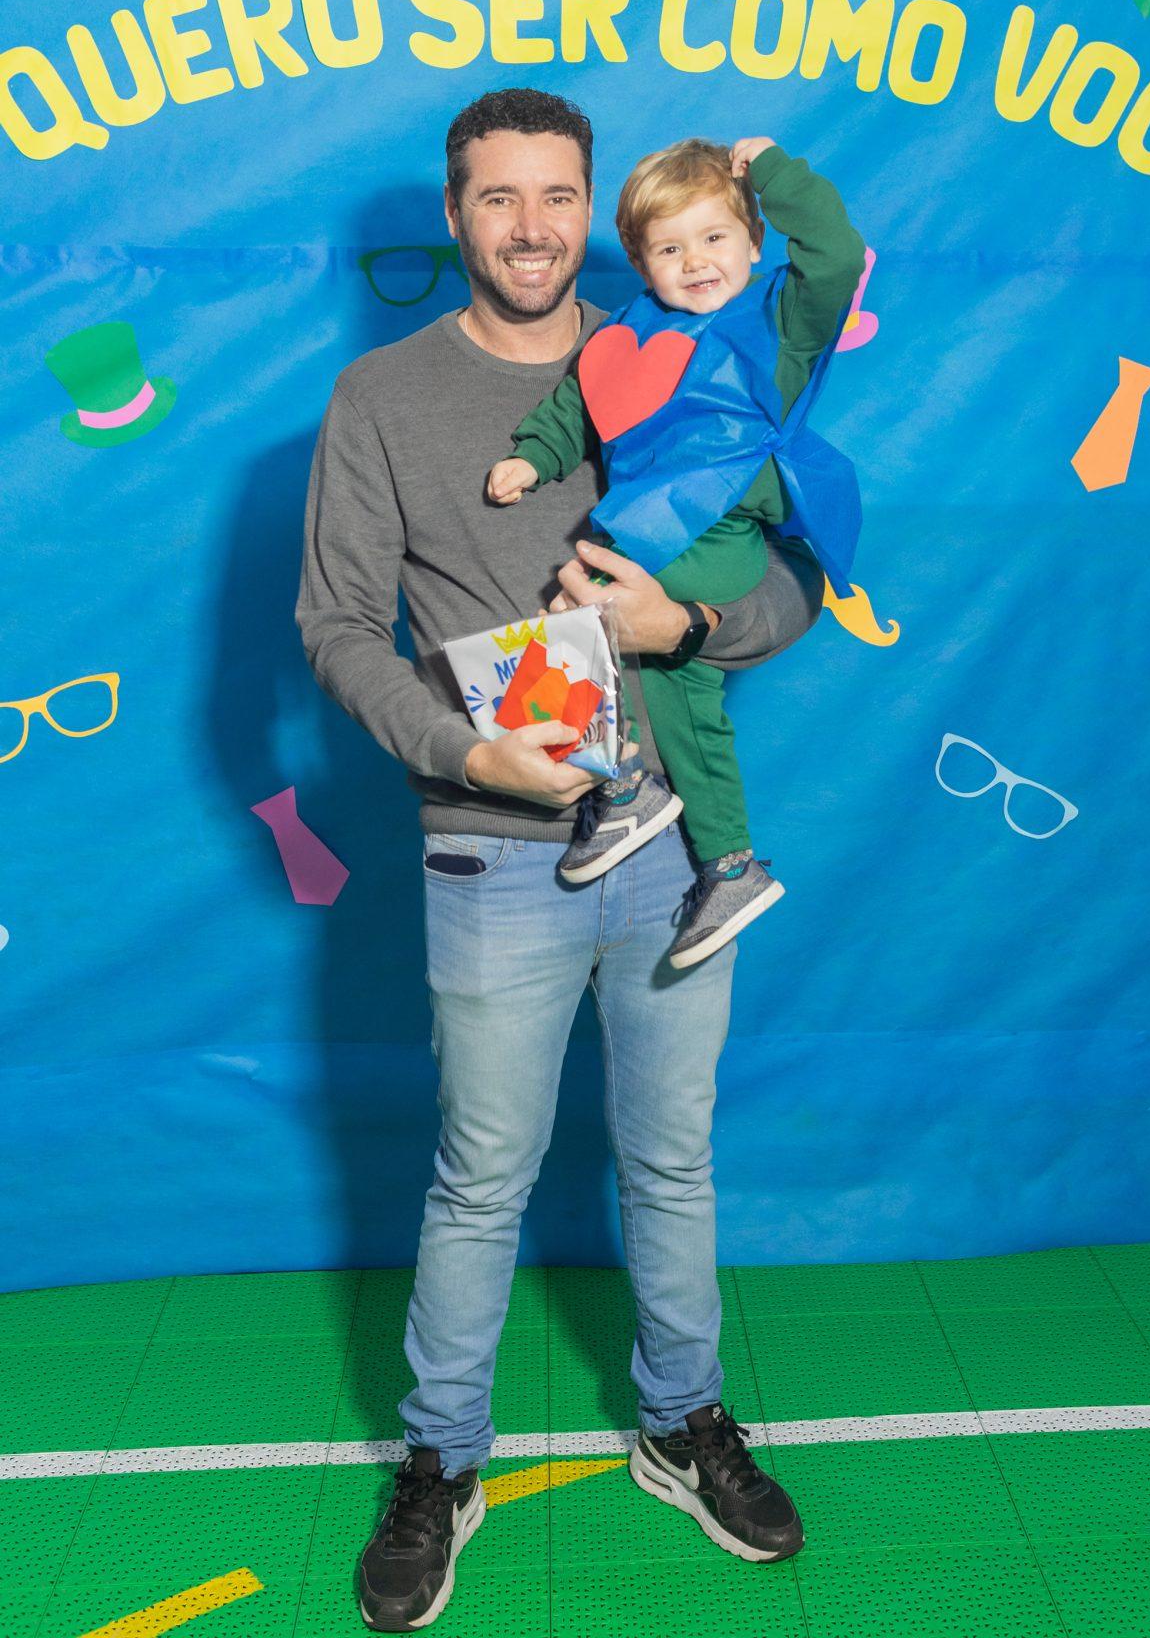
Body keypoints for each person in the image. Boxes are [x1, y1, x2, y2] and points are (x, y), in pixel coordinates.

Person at [296, 87, 822, 1633]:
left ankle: (683, 1420)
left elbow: (792, 575)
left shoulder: (681, 348)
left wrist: (688, 622)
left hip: (679, 854)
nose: (530, 227)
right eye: (497, 197)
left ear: (594, 209)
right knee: (482, 1175)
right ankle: (441, 1460)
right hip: (494, 850)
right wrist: (461, 754)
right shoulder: (379, 398)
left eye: (556, 196)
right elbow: (336, 625)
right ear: (453, 214)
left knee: (672, 1160)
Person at [487, 133, 864, 970]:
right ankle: (723, 861)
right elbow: (577, 407)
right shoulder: (626, 330)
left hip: (713, 528)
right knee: (676, 697)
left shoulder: (778, 317)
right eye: (668, 248)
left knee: (584, 615)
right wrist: (533, 456)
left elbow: (837, 256)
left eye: (714, 237)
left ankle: (625, 784)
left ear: (754, 242)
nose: (695, 262)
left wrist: (775, 173)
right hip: (649, 526)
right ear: (639, 262)